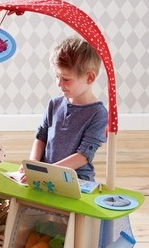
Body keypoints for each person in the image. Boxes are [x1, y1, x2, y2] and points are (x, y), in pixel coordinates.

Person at [22, 36, 108, 182]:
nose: (59, 83)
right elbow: (41, 137)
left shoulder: (98, 114)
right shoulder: (54, 104)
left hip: (76, 178)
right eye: (57, 76)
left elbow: (83, 155)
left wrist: (47, 172)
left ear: (89, 78)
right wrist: (34, 164)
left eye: (66, 79)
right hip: (45, 174)